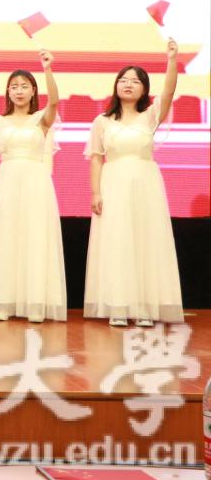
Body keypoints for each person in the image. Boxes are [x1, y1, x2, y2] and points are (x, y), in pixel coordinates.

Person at [83, 39, 183, 327]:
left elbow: (169, 91)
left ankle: (144, 307)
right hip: (113, 183)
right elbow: (96, 159)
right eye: (123, 80)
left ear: (144, 89)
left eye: (135, 81)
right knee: (117, 240)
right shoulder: (102, 121)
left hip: (145, 184)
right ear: (116, 86)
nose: (128, 84)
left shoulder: (150, 116)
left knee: (144, 241)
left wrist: (172, 60)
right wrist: (95, 193)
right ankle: (118, 304)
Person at [0, 50, 64, 323]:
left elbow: (55, 101)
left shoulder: (42, 119)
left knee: (35, 238)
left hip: (36, 183)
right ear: (8, 91)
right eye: (14, 86)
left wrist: (47, 69)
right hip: (7, 181)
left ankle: (35, 302)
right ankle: (4, 301)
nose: (18, 91)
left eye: (24, 86)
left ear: (33, 91)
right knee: (7, 239)